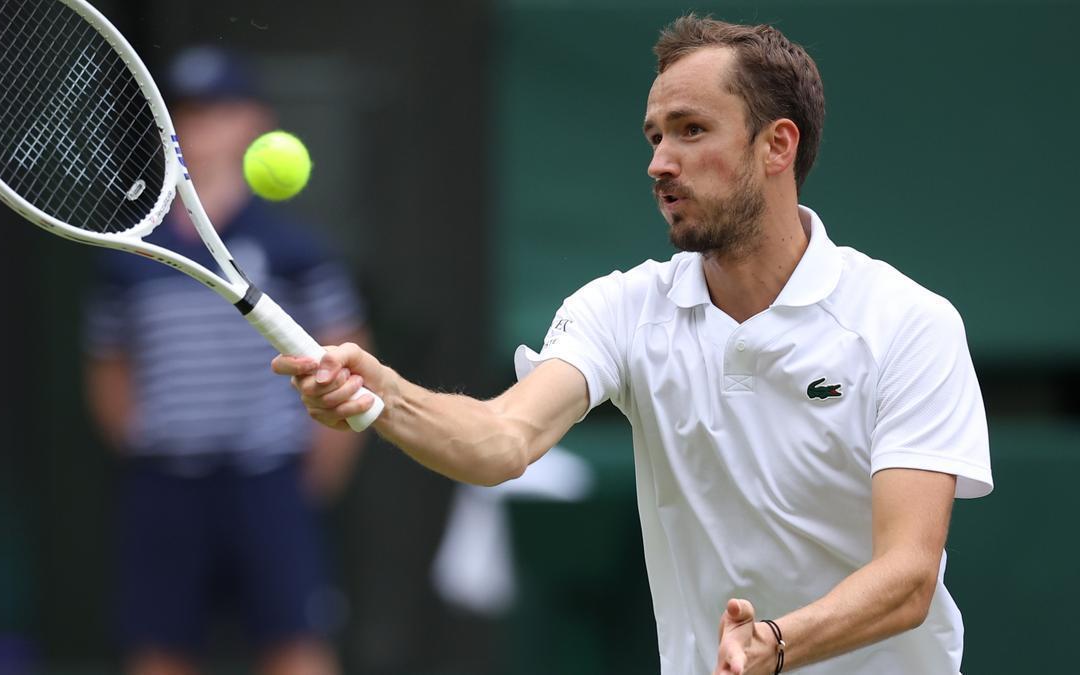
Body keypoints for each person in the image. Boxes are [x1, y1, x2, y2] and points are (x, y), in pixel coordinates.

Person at [273, 14, 994, 675]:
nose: (660, 163)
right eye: (655, 137)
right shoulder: (620, 310)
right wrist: (382, 394)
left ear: (777, 145)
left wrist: (775, 644)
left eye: (691, 130)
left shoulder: (908, 323)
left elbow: (908, 576)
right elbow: (501, 441)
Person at [85, 46, 368, 675]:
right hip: (165, 486)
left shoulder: (297, 250)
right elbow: (108, 368)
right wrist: (148, 444)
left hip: (269, 482)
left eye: (219, 111)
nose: (201, 128)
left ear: (255, 122)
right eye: (187, 113)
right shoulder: (130, 254)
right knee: (158, 652)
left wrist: (305, 484)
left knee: (295, 647)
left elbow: (351, 358)